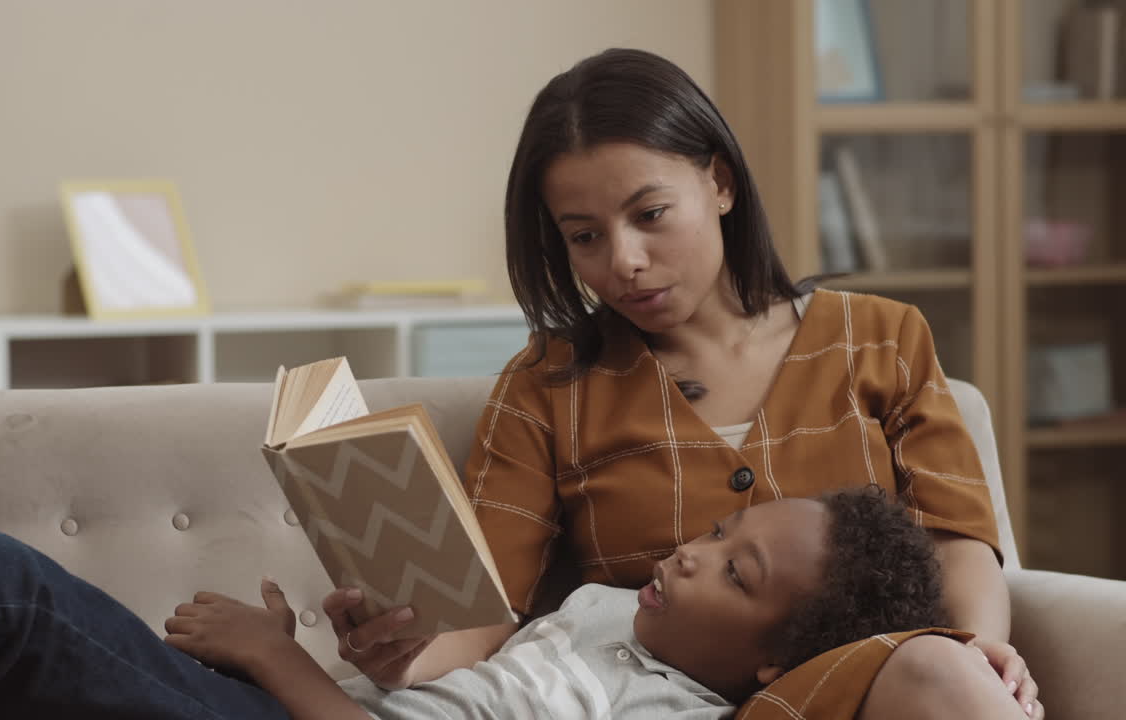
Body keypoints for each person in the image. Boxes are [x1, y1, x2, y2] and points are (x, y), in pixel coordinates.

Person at [322, 48, 1044, 720]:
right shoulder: (547, 386)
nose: (623, 261)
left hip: (878, 695)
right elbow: (485, 610)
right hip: (656, 704)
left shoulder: (883, 339)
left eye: (650, 215)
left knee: (935, 671)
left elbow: (957, 538)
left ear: (720, 183)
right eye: (585, 236)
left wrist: (978, 649)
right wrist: (404, 657)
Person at [0, 488, 950, 719]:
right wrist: (295, 659)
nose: (693, 556)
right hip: (284, 708)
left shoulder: (670, 718)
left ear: (773, 665)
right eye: (718, 532)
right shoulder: (610, 608)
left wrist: (274, 672)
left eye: (736, 574)